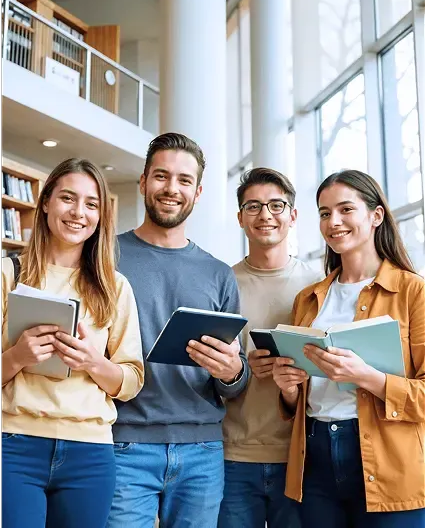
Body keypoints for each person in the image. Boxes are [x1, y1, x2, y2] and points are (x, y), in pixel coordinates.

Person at [107, 132, 249, 528]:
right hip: (122, 442)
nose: (172, 188)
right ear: (143, 182)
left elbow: (238, 382)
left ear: (198, 191)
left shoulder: (219, 274)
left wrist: (231, 372)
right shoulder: (104, 257)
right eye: (161, 176)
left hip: (202, 450)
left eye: (184, 180)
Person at [273, 169, 425, 527]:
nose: (333, 222)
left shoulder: (412, 292)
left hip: (389, 464)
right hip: (315, 459)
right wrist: (289, 389)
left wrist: (369, 378)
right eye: (325, 213)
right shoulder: (307, 299)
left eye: (345, 210)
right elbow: (302, 399)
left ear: (375, 216)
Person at [1, 158, 144, 528]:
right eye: (68, 198)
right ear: (46, 202)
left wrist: (93, 362)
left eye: (91, 204)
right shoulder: (7, 274)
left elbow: (130, 383)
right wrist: (17, 356)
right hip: (14, 445)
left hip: (90, 453)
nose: (78, 212)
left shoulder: (115, 286)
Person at [218, 168, 321, 528]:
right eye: (253, 206)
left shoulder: (318, 285)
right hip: (232, 455)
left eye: (277, 205)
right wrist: (240, 369)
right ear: (240, 217)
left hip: (301, 457)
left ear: (293, 215)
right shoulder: (220, 282)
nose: (265, 215)